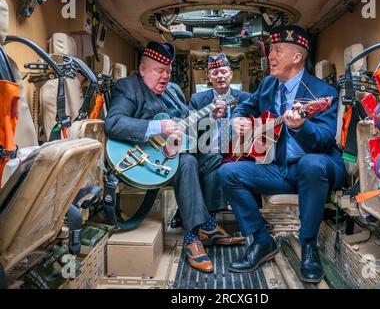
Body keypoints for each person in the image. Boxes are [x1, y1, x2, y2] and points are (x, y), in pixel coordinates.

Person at [218, 25, 347, 282]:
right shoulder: (268, 85)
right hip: (281, 168)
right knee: (227, 172)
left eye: (277, 50)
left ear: (297, 58)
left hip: (318, 167)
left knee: (311, 163)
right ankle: (262, 241)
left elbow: (323, 141)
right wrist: (238, 119)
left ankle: (308, 244)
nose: (271, 57)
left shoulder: (322, 93)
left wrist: (301, 126)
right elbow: (246, 105)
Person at [105, 41, 244, 273]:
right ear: (143, 69)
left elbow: (187, 119)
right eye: (159, 71)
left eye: (168, 71)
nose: (165, 77)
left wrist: (212, 115)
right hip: (145, 160)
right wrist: (159, 126)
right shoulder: (128, 87)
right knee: (187, 161)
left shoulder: (174, 90)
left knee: (212, 155)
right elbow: (114, 123)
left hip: (175, 151)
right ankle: (192, 237)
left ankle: (208, 225)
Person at [169, 53, 251, 232]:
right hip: (206, 149)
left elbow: (255, 123)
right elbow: (188, 130)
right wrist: (211, 118)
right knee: (213, 158)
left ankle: (250, 216)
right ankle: (209, 220)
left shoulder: (245, 97)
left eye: (223, 72)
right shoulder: (197, 100)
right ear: (209, 77)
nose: (220, 76)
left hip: (238, 150)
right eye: (215, 73)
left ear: (231, 74)